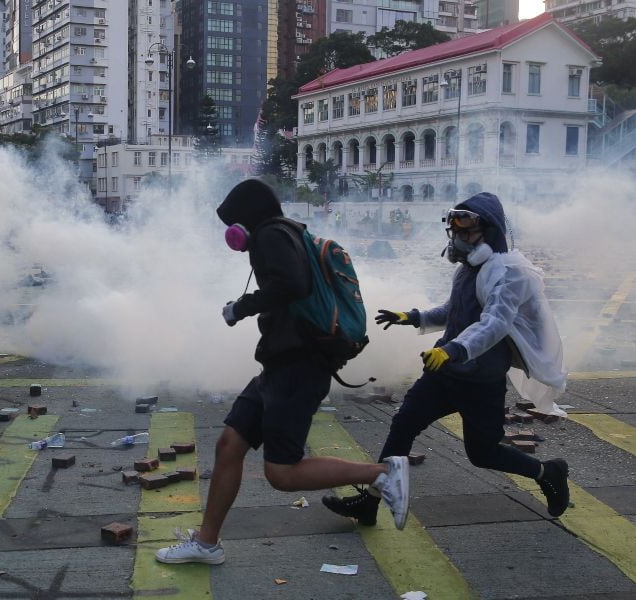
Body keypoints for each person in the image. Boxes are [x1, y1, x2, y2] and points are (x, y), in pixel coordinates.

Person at [154, 179, 410, 566]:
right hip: (278, 366)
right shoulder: (287, 232)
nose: (232, 235)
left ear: (248, 218)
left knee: (282, 472)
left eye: (233, 224)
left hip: (298, 367)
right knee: (229, 444)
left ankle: (382, 474)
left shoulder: (271, 234)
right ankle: (207, 544)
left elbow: (292, 283)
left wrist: (241, 307)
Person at [323, 192, 570, 525]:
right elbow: (454, 311)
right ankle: (371, 502)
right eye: (456, 233)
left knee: (482, 454)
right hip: (445, 371)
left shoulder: (510, 274)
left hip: (481, 380)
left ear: (490, 233)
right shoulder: (469, 269)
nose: (460, 240)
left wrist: (453, 349)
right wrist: (413, 317)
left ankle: (547, 472)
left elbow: (494, 323)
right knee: (403, 424)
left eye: (468, 233)